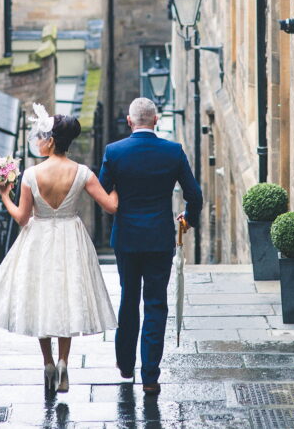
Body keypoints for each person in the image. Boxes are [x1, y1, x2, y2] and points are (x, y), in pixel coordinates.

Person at [0, 105, 118, 394]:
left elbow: (21, 217)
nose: (39, 140)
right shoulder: (82, 173)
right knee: (67, 297)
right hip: (71, 236)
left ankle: (48, 363)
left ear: (52, 141)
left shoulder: (31, 174)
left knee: (41, 299)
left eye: (43, 136)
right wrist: (118, 185)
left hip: (39, 238)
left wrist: (5, 194)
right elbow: (111, 206)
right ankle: (66, 361)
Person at [99, 97, 202, 395]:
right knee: (156, 303)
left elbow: (104, 192)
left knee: (129, 298)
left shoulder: (114, 152)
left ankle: (125, 364)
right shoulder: (173, 151)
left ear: (130, 122)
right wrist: (188, 219)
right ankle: (150, 376)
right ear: (156, 121)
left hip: (127, 239)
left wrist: (119, 190)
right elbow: (194, 195)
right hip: (159, 238)